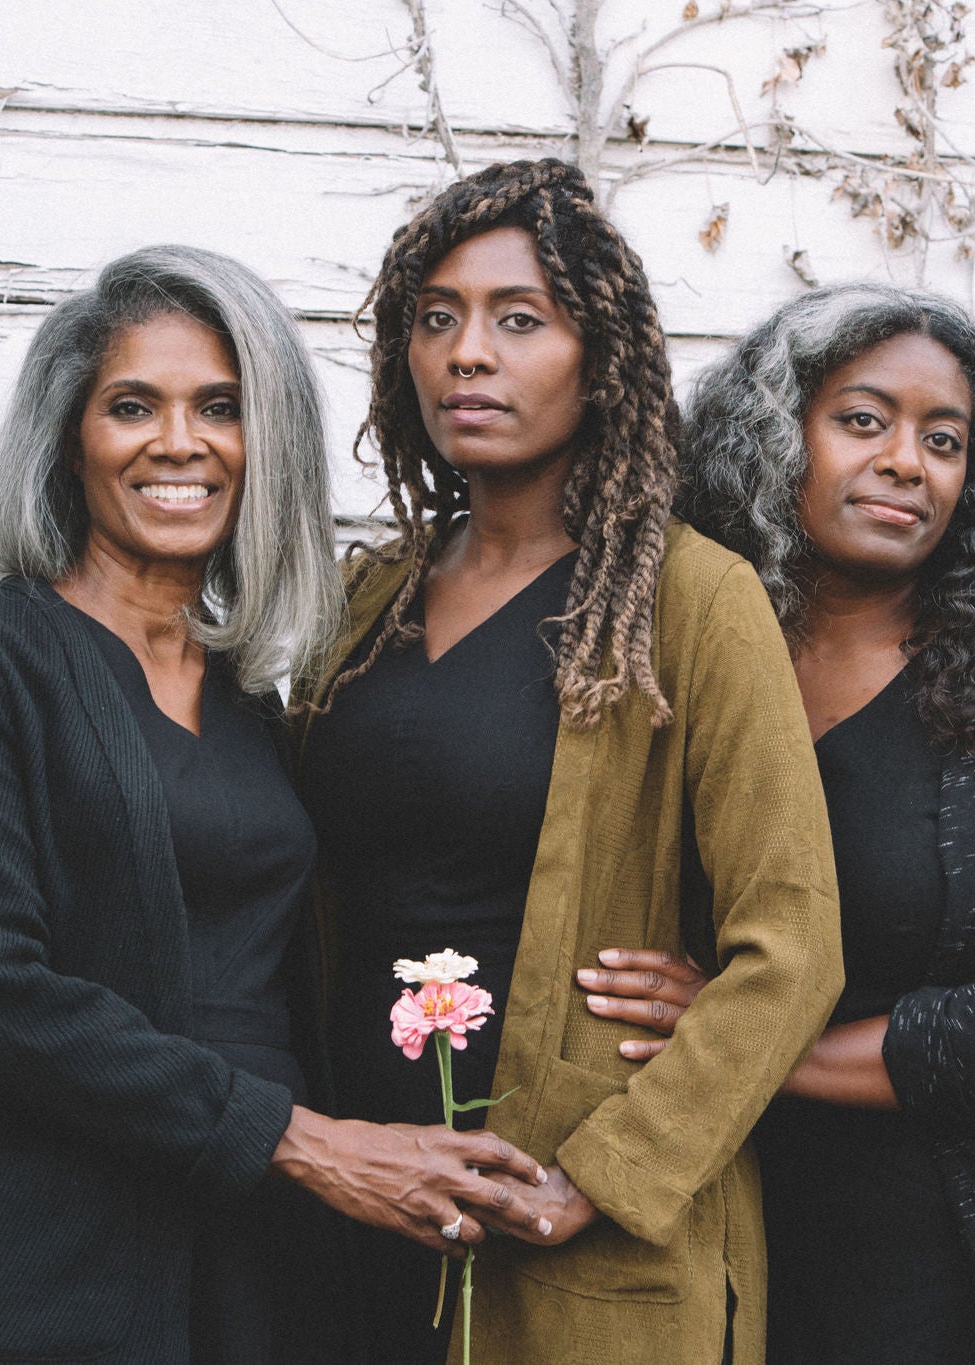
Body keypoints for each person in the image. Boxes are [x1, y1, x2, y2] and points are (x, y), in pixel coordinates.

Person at [0, 244, 550, 1365]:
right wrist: (307, 1143)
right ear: (69, 437)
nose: (178, 442)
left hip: (252, 1251)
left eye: (218, 407)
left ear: (260, 440)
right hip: (30, 1244)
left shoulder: (261, 711)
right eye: (133, 405)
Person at [580, 285, 975, 1365]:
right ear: (771, 437)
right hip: (753, 1233)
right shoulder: (671, 662)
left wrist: (748, 1049)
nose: (903, 462)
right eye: (860, 420)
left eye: (942, 440)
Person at [294, 158, 844, 1365]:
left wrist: (597, 1177)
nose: (465, 354)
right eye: (434, 320)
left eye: (518, 319)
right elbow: (258, 870)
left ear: (598, 363)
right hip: (353, 1210)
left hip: (569, 1241)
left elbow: (791, 948)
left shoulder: (689, 604)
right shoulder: (359, 602)